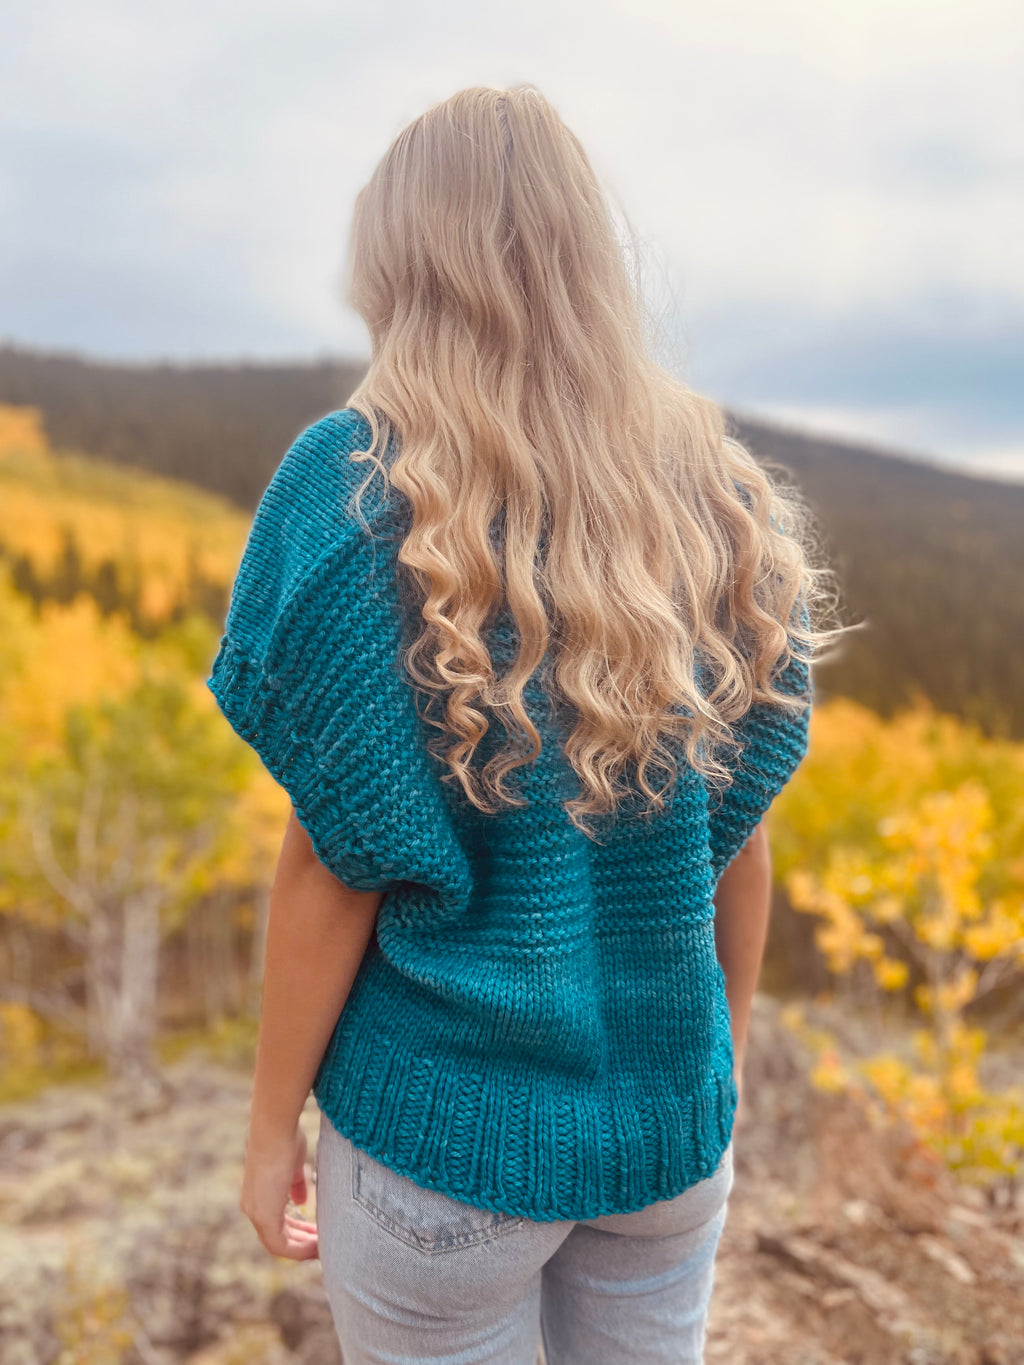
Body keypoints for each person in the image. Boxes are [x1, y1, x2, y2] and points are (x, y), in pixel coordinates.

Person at [207, 83, 841, 1365]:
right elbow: (741, 832)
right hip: (666, 1143)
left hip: (443, 1149)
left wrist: (272, 1125)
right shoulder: (715, 497)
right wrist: (704, 1075)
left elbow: (335, 858)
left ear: (398, 262)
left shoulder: (348, 494)